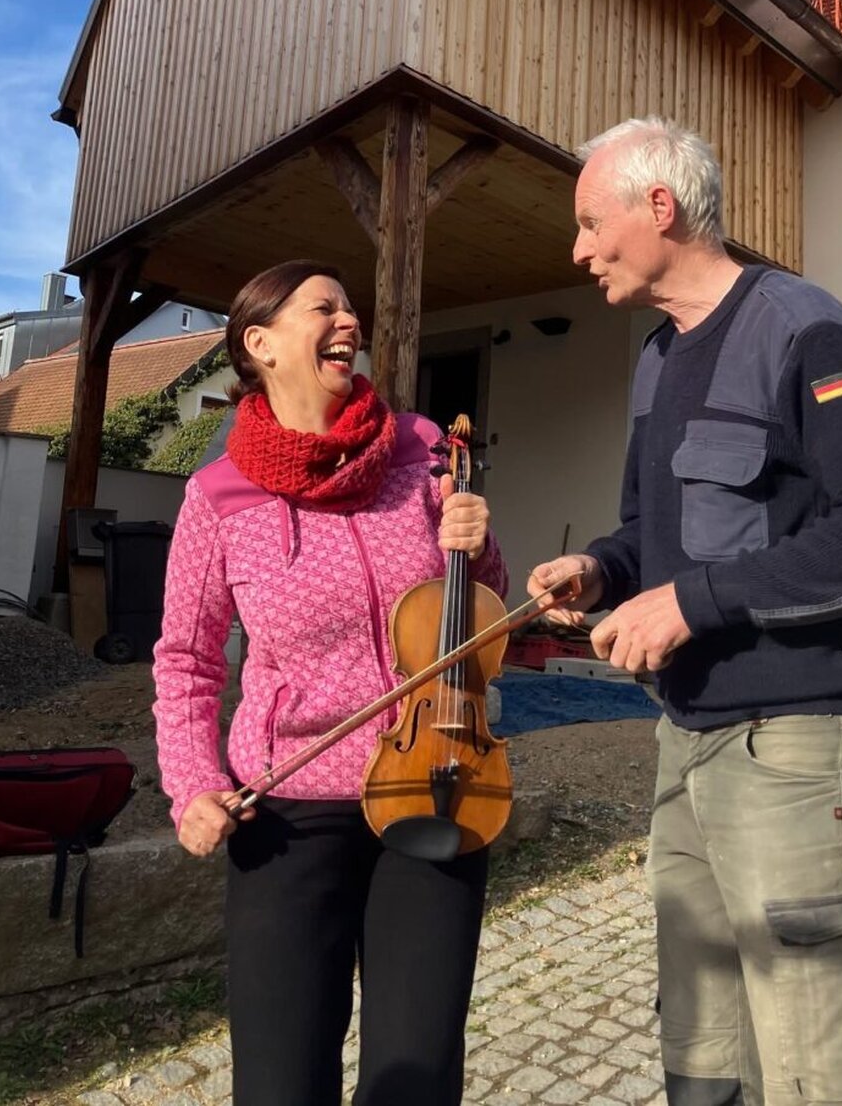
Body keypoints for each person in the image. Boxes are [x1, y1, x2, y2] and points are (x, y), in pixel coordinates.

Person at [528, 118, 842, 1106]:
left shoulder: (804, 328)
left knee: (822, 1072)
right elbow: (653, 535)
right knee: (702, 1051)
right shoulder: (656, 357)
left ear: (658, 207)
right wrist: (600, 568)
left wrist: (694, 600)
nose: (578, 250)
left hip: (794, 751)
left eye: (590, 223)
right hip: (683, 743)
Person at [152, 259, 507, 1106]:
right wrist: (193, 784)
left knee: (415, 1075)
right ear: (262, 344)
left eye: (351, 308)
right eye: (325, 308)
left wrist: (480, 545)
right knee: (280, 1079)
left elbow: (480, 619)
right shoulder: (217, 496)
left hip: (435, 785)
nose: (349, 321)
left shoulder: (421, 451)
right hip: (287, 814)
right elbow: (187, 661)